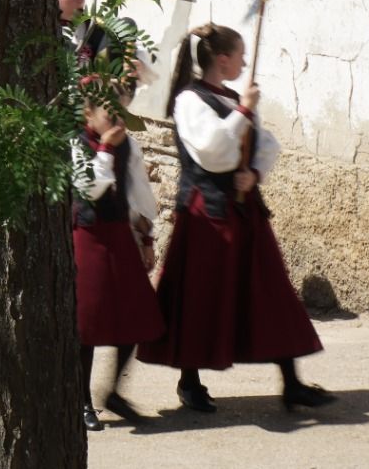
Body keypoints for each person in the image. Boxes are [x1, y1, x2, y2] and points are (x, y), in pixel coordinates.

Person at [138, 24, 335, 414]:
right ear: (221, 59)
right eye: (239, 55)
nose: (245, 61)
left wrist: (255, 172)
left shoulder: (231, 97)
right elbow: (214, 151)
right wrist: (243, 110)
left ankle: (291, 383)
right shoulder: (190, 101)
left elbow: (265, 145)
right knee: (200, 296)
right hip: (207, 215)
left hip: (245, 212)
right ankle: (189, 381)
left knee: (271, 291)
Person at [73, 95, 163, 429]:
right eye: (107, 115)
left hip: (119, 235)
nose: (115, 122)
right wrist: (106, 149)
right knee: (88, 325)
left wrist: (146, 236)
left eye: (118, 114)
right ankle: (82, 401)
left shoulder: (129, 145)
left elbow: (135, 193)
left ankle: (112, 392)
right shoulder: (77, 144)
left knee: (137, 316)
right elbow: (89, 188)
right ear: (88, 114)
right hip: (88, 236)